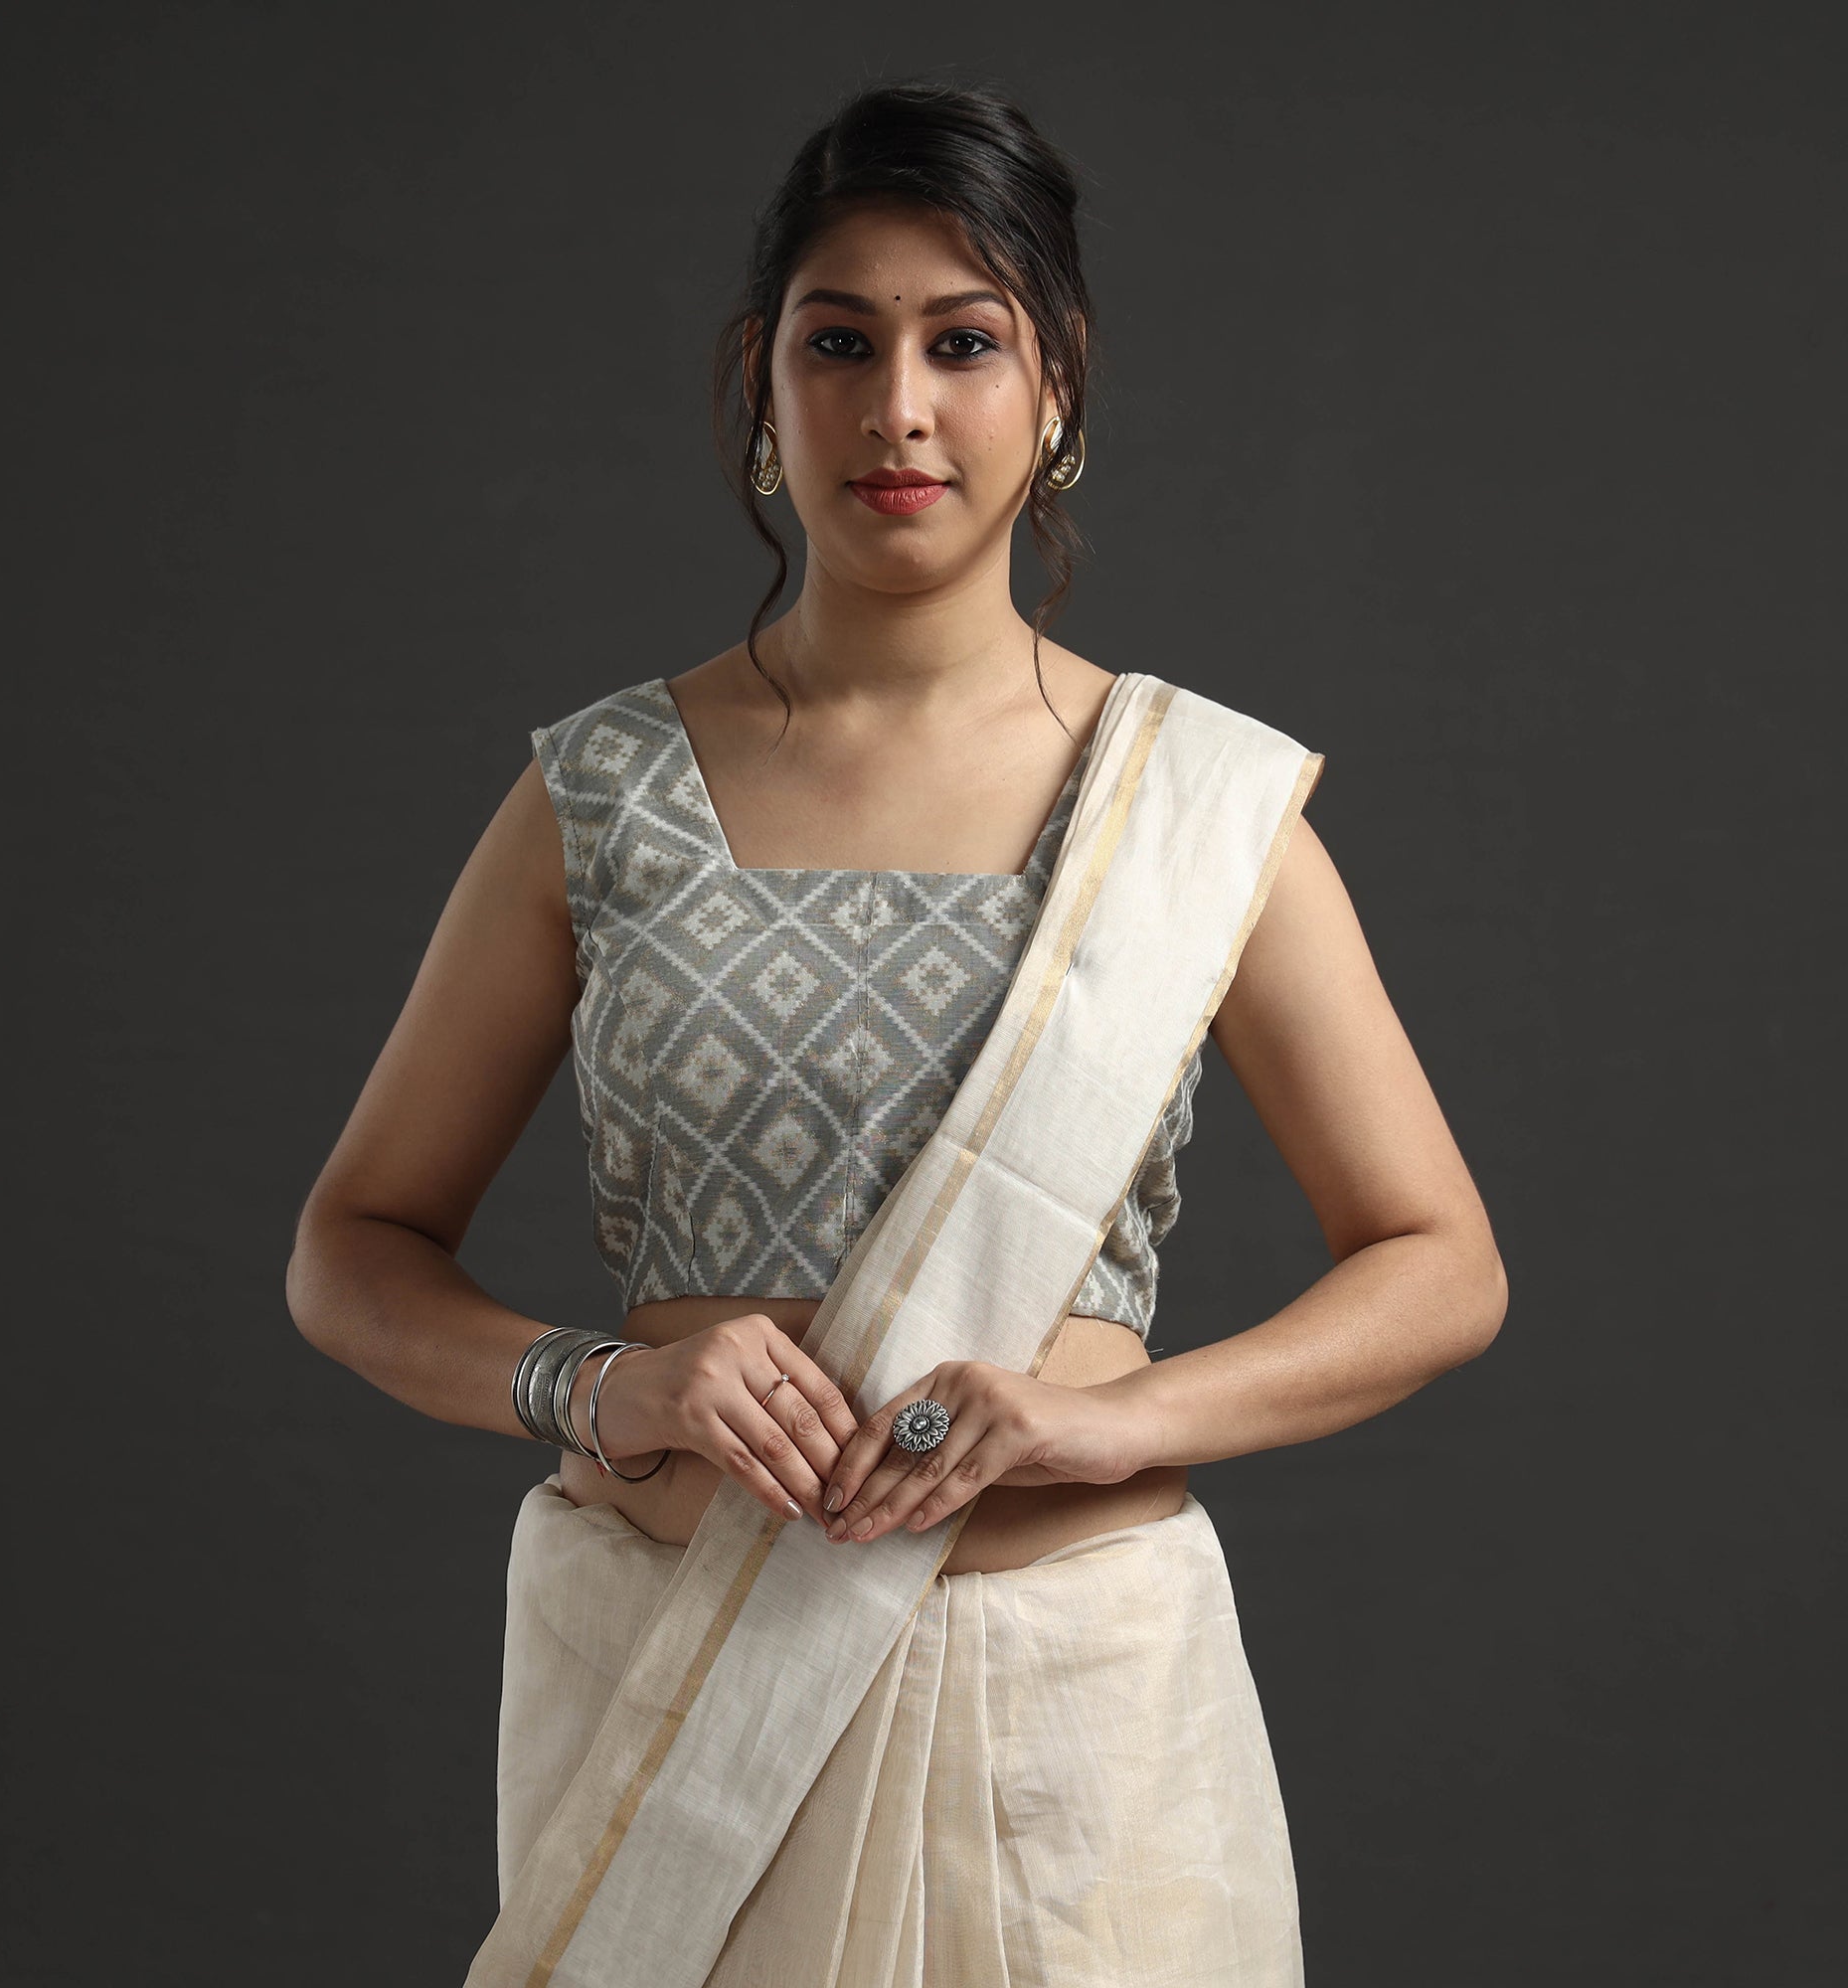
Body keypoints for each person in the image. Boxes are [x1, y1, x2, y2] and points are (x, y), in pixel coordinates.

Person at [286, 78, 1508, 1988]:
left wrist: (1109, 1421)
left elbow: (1440, 1265)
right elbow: (350, 1253)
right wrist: (609, 1389)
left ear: (1058, 387)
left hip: (1071, 1732)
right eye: (839, 343)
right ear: (760, 386)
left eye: (966, 343)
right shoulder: (603, 791)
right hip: (675, 1698)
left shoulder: (1188, 804)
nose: (899, 409)